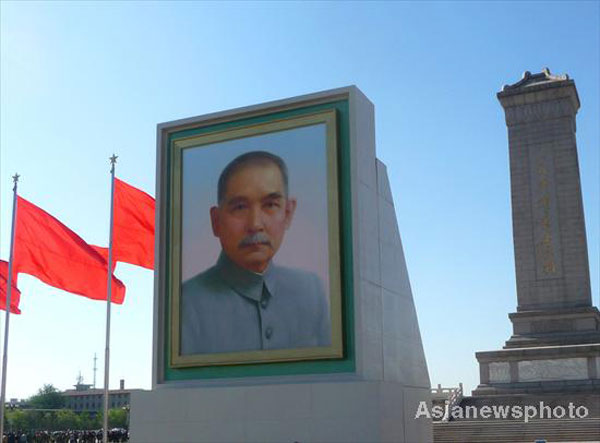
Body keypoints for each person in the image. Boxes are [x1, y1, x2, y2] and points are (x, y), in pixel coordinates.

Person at [181, 150, 331, 355]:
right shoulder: (186, 303)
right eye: (240, 207)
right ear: (216, 221)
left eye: (270, 205)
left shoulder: (311, 291)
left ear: (287, 213)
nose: (255, 224)